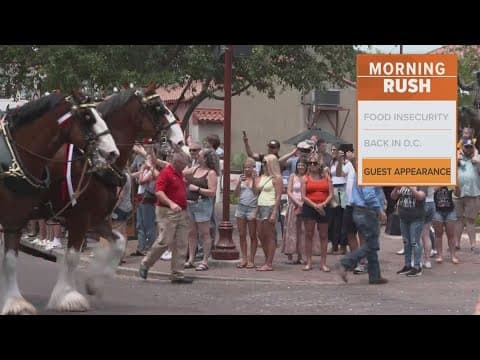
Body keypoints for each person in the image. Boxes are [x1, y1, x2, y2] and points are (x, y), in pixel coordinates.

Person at [138, 151, 193, 284]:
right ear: (177, 163)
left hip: (181, 211)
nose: (185, 167)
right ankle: (146, 263)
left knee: (181, 242)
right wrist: (171, 203)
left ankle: (177, 274)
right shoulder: (166, 173)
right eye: (184, 164)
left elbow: (159, 161)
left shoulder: (178, 172)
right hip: (167, 211)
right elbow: (159, 192)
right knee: (165, 240)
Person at [335, 182, 388, 285]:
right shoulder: (368, 171)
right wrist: (380, 211)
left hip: (361, 210)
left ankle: (375, 276)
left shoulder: (361, 171)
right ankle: (345, 263)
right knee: (372, 244)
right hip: (367, 211)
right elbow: (369, 195)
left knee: (371, 242)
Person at [234, 158, 258, 269]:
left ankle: (251, 259)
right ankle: (244, 258)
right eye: (245, 167)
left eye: (250, 167)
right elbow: (235, 194)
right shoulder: (241, 178)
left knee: (253, 235)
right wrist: (239, 182)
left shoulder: (257, 179)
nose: (247, 169)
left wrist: (253, 180)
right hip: (241, 207)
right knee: (242, 234)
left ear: (254, 168)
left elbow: (256, 193)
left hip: (252, 208)